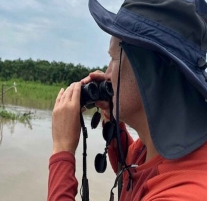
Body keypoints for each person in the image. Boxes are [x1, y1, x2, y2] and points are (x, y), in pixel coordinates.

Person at [48, 0, 207, 200]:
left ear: (148, 72)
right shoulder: (159, 146)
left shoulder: (185, 193)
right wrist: (110, 115)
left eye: (114, 58)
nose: (106, 74)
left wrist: (62, 151)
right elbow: (131, 169)